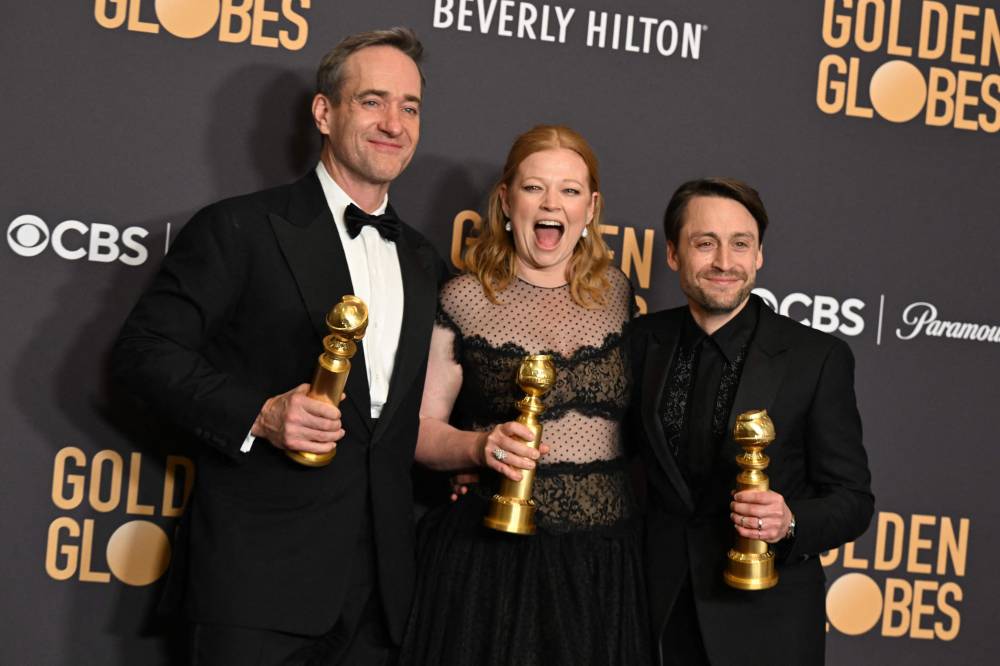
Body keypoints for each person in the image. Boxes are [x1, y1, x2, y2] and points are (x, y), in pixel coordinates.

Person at [112, 28, 445, 665]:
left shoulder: (425, 261)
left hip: (381, 602)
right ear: (324, 112)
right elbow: (143, 350)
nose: (394, 123)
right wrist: (260, 415)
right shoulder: (238, 228)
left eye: (410, 107)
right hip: (255, 588)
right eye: (372, 101)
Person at [400, 125, 650, 665]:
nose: (551, 203)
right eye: (534, 187)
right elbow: (419, 430)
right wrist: (477, 449)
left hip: (602, 565)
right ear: (506, 200)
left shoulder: (620, 296)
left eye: (570, 190)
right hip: (491, 562)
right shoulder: (463, 298)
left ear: (591, 207)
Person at [629, 178, 874, 665]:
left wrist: (790, 522)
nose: (724, 261)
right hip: (651, 616)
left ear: (759, 254)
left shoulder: (817, 358)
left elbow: (853, 500)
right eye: (705, 243)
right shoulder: (638, 341)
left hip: (767, 624)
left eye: (740, 244)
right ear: (674, 254)